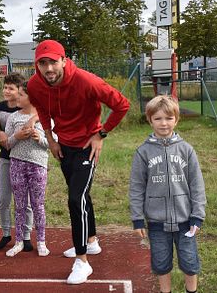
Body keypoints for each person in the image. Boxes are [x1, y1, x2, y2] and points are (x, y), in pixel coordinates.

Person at [27, 39, 130, 284]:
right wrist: (50, 140)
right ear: (37, 65)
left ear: (63, 60)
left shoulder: (87, 81)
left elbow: (122, 105)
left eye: (53, 62)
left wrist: (101, 134)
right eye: (43, 63)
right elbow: (42, 109)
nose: (49, 69)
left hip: (87, 146)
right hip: (64, 146)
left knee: (76, 199)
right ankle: (91, 241)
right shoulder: (34, 84)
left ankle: (82, 261)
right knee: (82, 195)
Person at [129, 95, 206, 293]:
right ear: (150, 120)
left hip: (185, 221)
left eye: (168, 118)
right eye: (158, 118)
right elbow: (137, 187)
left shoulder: (186, 150)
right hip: (157, 223)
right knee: (161, 264)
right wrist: (137, 218)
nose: (164, 123)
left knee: (190, 263)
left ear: (176, 119)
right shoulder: (143, 152)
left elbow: (197, 185)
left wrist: (197, 215)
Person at [0, 72, 34, 251]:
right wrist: (0, 133)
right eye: (5, 87)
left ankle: (27, 235)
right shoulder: (0, 107)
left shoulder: (26, 108)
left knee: (25, 201)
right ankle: (6, 233)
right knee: (3, 198)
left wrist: (16, 136)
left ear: (20, 90)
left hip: (24, 159)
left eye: (11, 88)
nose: (6, 91)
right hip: (6, 159)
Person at [3, 81, 50, 257]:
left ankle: (41, 241)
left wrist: (40, 139)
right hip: (17, 164)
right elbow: (7, 143)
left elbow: (53, 144)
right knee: (20, 205)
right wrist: (17, 136)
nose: (17, 97)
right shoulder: (13, 118)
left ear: (32, 98)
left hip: (38, 165)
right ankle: (19, 241)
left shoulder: (45, 117)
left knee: (38, 205)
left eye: (21, 95)